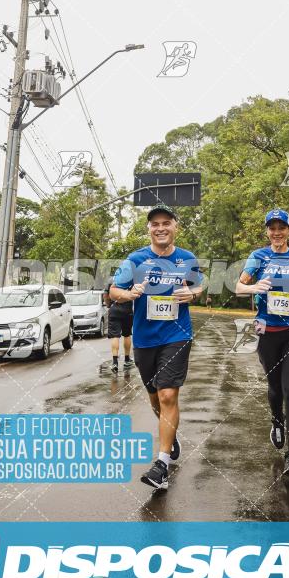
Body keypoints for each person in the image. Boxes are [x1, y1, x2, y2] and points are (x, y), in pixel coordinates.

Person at [110, 204, 203, 490]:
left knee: (167, 395)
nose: (161, 228)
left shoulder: (186, 258)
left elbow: (199, 286)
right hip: (145, 339)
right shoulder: (136, 259)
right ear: (149, 229)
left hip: (177, 335)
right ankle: (169, 435)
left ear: (176, 226)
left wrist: (192, 293)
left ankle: (161, 463)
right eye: (155, 224)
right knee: (154, 397)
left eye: (166, 222)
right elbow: (113, 290)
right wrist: (129, 293)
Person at [237, 208, 289, 480]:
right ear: (267, 231)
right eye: (272, 227)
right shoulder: (258, 257)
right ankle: (276, 421)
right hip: (266, 328)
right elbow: (239, 286)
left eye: (281, 227)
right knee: (274, 387)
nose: (277, 232)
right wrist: (253, 288)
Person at [103, 276, 133, 373]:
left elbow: (105, 295)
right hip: (127, 310)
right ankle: (127, 360)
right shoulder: (130, 280)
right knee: (127, 335)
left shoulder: (111, 280)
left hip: (114, 309)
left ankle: (115, 362)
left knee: (115, 336)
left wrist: (108, 305)